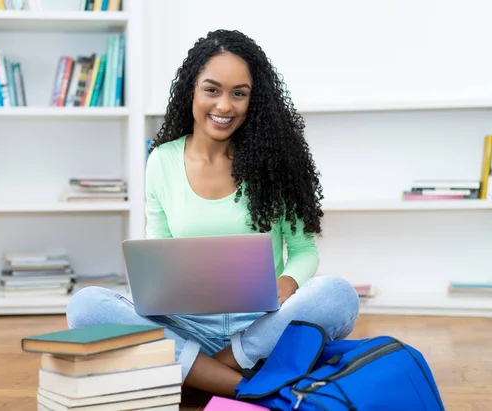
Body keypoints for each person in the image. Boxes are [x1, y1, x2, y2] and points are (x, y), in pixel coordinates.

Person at [66, 29, 359, 398]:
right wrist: (156, 291)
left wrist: (285, 286)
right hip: (186, 325)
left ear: (255, 101)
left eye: (239, 94)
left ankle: (201, 371)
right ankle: (244, 386)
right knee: (86, 307)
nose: (224, 106)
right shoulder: (162, 161)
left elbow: (303, 251)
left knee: (338, 295)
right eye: (212, 90)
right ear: (192, 89)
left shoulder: (274, 162)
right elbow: (158, 248)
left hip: (261, 325)